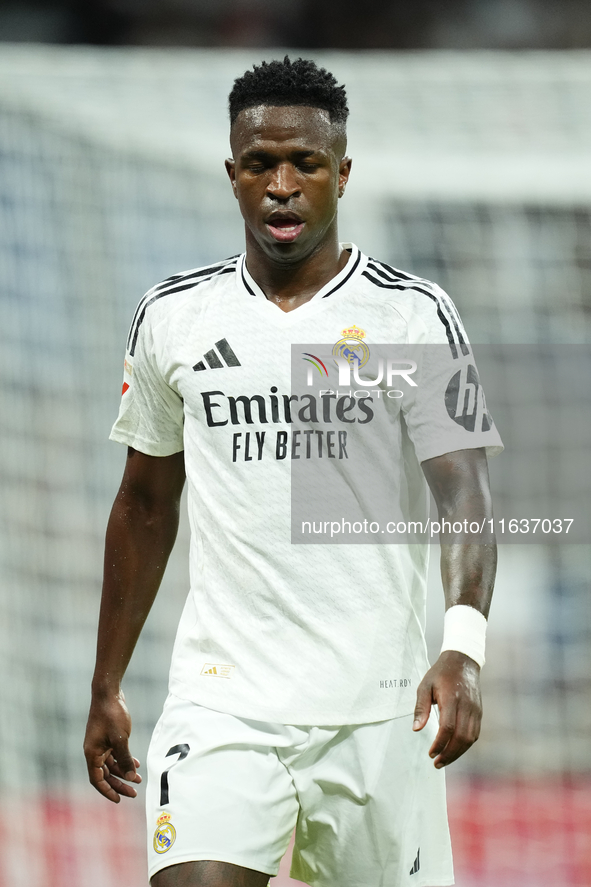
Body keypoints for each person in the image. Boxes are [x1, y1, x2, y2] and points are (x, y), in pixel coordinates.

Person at [84, 56, 503, 887]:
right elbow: (143, 505)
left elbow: (463, 491)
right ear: (230, 173)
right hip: (222, 703)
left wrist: (463, 649)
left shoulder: (408, 313)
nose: (280, 184)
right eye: (258, 164)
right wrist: (107, 682)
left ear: (341, 173)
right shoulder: (175, 316)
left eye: (304, 164)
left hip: (378, 709)